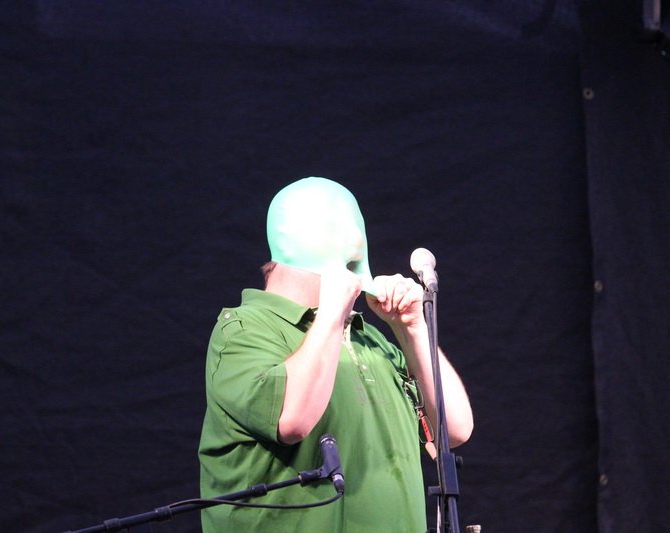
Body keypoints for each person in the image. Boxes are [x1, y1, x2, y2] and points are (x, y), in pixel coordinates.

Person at [198, 177, 473, 532]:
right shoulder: (244, 330)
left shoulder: (369, 340)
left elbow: (455, 430)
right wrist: (329, 314)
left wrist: (412, 329)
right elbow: (293, 420)